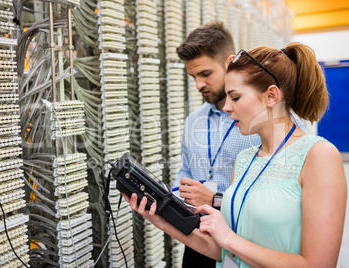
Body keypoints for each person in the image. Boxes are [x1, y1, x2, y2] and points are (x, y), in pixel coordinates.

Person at [124, 42, 347, 267]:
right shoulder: (244, 160)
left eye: (236, 97)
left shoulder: (319, 156)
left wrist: (229, 239)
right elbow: (224, 252)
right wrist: (160, 219)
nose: (227, 107)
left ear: (271, 96)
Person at [174, 21, 261, 267]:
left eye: (205, 74)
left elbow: (273, 197)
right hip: (197, 237)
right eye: (193, 76)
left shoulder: (261, 121)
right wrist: (174, 194)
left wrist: (216, 198)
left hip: (245, 241)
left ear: (229, 62)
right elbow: (186, 169)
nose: (198, 84)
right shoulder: (194, 120)